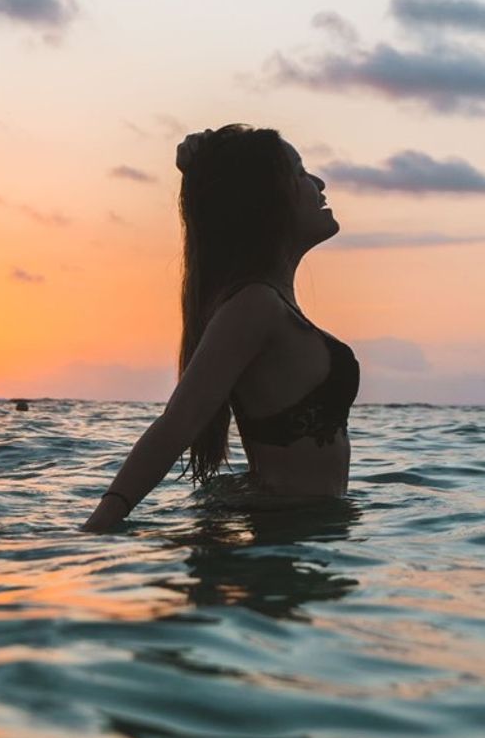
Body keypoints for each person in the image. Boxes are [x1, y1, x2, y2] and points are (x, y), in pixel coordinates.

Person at [82, 123, 360, 533]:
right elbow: (179, 422)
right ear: (267, 202)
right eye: (300, 173)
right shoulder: (255, 306)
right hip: (284, 531)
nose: (318, 183)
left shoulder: (269, 304)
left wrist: (205, 163)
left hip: (300, 528)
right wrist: (101, 524)